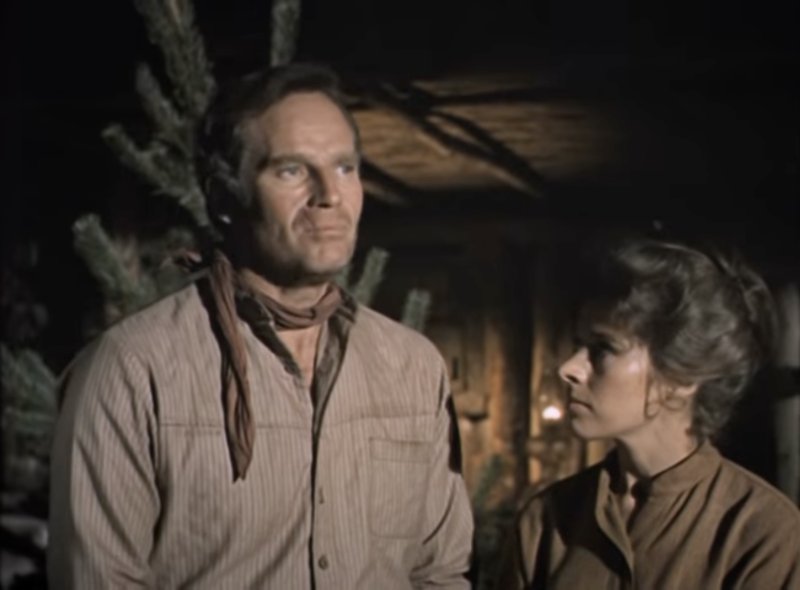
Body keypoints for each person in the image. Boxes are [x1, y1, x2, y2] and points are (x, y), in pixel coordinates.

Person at [48, 63, 473, 589]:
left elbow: (439, 573)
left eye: (345, 168)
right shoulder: (132, 370)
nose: (329, 195)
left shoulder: (413, 366)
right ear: (223, 198)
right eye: (291, 171)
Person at [498, 238, 800, 589]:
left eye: (603, 348)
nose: (569, 368)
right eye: (579, 345)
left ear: (682, 377)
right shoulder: (547, 520)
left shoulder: (761, 532)